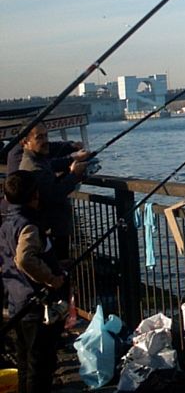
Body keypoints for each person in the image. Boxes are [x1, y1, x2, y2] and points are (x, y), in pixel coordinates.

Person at [0, 170, 68, 393]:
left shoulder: (8, 221)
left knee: (24, 362)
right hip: (35, 304)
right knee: (40, 366)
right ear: (34, 195)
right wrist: (52, 279)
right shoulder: (28, 225)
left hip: (17, 300)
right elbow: (24, 258)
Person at [17, 125, 88, 260]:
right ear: (25, 142)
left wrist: (74, 159)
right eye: (39, 137)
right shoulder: (33, 167)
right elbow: (54, 194)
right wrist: (74, 175)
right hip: (52, 230)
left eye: (46, 135)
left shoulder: (37, 159)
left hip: (54, 228)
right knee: (58, 270)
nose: (45, 140)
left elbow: (53, 164)